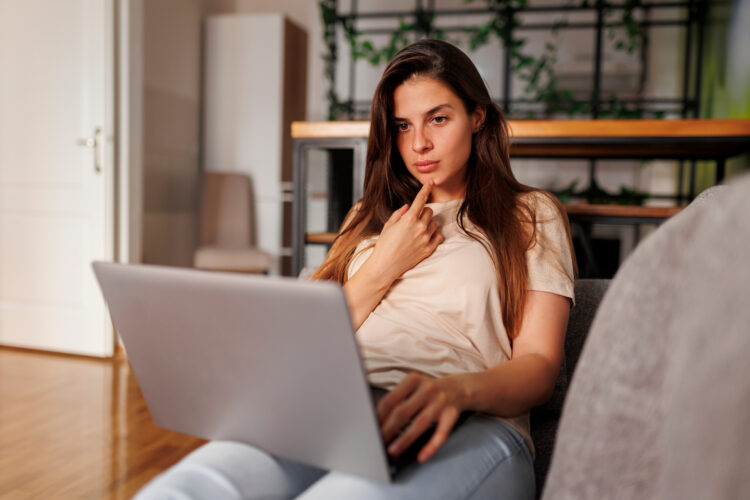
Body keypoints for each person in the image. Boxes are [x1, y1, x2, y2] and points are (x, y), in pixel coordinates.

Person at [135, 39, 576, 500]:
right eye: (402, 126)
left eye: (438, 119)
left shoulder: (529, 213)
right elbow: (303, 342)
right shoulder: (367, 217)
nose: (419, 143)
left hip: (469, 419)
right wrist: (384, 264)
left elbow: (540, 366)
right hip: (331, 406)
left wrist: (455, 392)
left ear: (477, 117)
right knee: (186, 490)